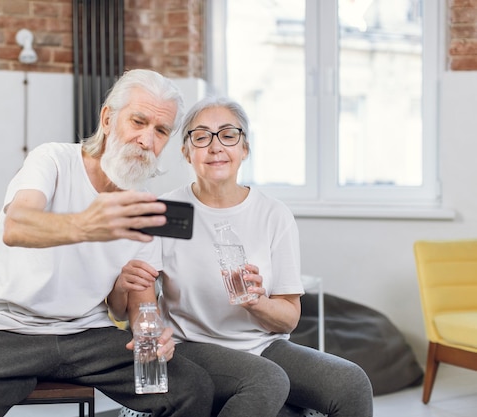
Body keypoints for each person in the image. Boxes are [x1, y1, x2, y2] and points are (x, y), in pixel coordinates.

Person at [0, 69, 214, 417]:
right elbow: (16, 225)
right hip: (3, 328)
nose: (146, 139)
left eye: (160, 131)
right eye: (138, 121)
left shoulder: (144, 207)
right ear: (108, 119)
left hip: (86, 333)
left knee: (192, 388)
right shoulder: (53, 160)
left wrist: (147, 335)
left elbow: (138, 298)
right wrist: (86, 225)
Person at [110, 96, 374, 417]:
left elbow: (289, 316)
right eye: (202, 136)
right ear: (186, 152)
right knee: (267, 381)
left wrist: (257, 302)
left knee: (351, 383)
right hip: (192, 345)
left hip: (264, 346)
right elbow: (141, 298)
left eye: (228, 135)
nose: (216, 146)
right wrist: (148, 339)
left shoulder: (273, 214)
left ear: (244, 149)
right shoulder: (166, 213)